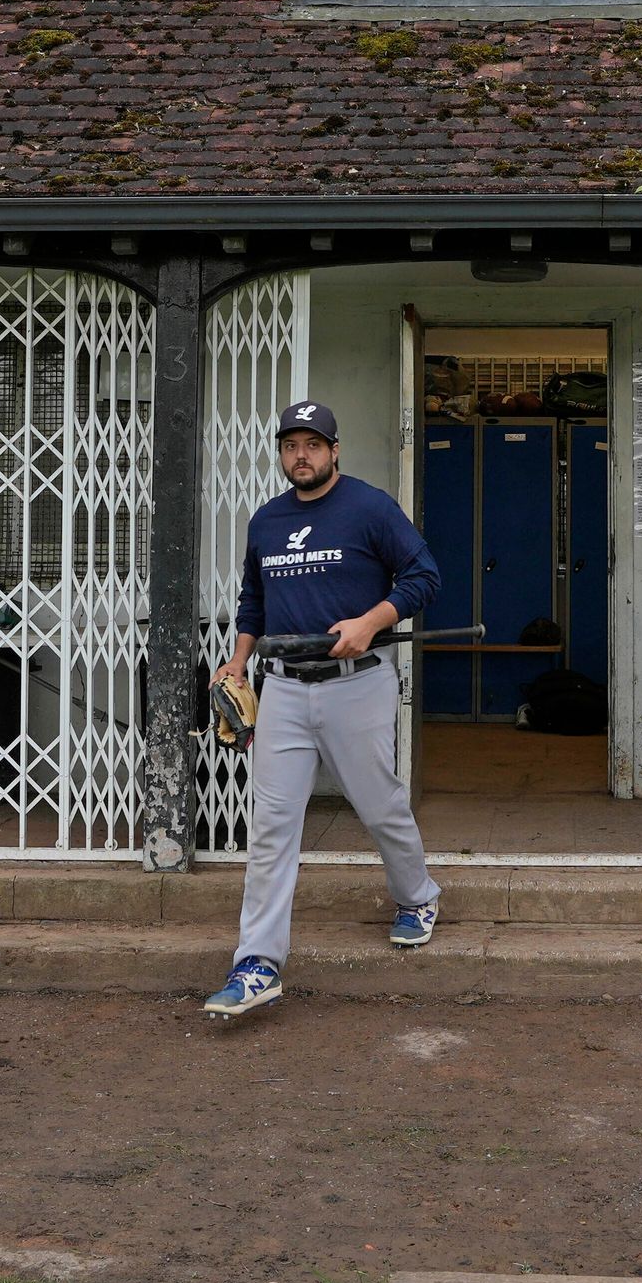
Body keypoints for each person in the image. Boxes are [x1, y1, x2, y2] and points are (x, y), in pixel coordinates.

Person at [203, 399, 443, 1021]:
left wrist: (370, 621)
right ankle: (257, 962)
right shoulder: (266, 520)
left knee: (380, 804)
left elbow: (423, 576)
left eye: (312, 444)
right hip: (281, 686)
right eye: (290, 445)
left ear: (335, 451)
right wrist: (237, 661)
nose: (300, 455)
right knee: (273, 826)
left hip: (356, 682)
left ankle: (417, 896)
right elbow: (253, 599)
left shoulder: (369, 507)